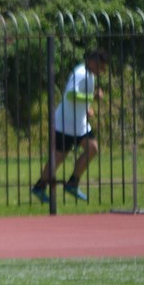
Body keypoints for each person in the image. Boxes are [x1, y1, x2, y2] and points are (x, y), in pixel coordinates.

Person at [32, 49, 109, 203]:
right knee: (58, 157)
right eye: (101, 66)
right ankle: (39, 187)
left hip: (80, 123)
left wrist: (86, 108)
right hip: (65, 124)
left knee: (92, 148)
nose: (102, 70)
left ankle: (72, 183)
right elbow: (70, 95)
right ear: (92, 62)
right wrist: (92, 97)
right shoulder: (80, 74)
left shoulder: (90, 75)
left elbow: (79, 97)